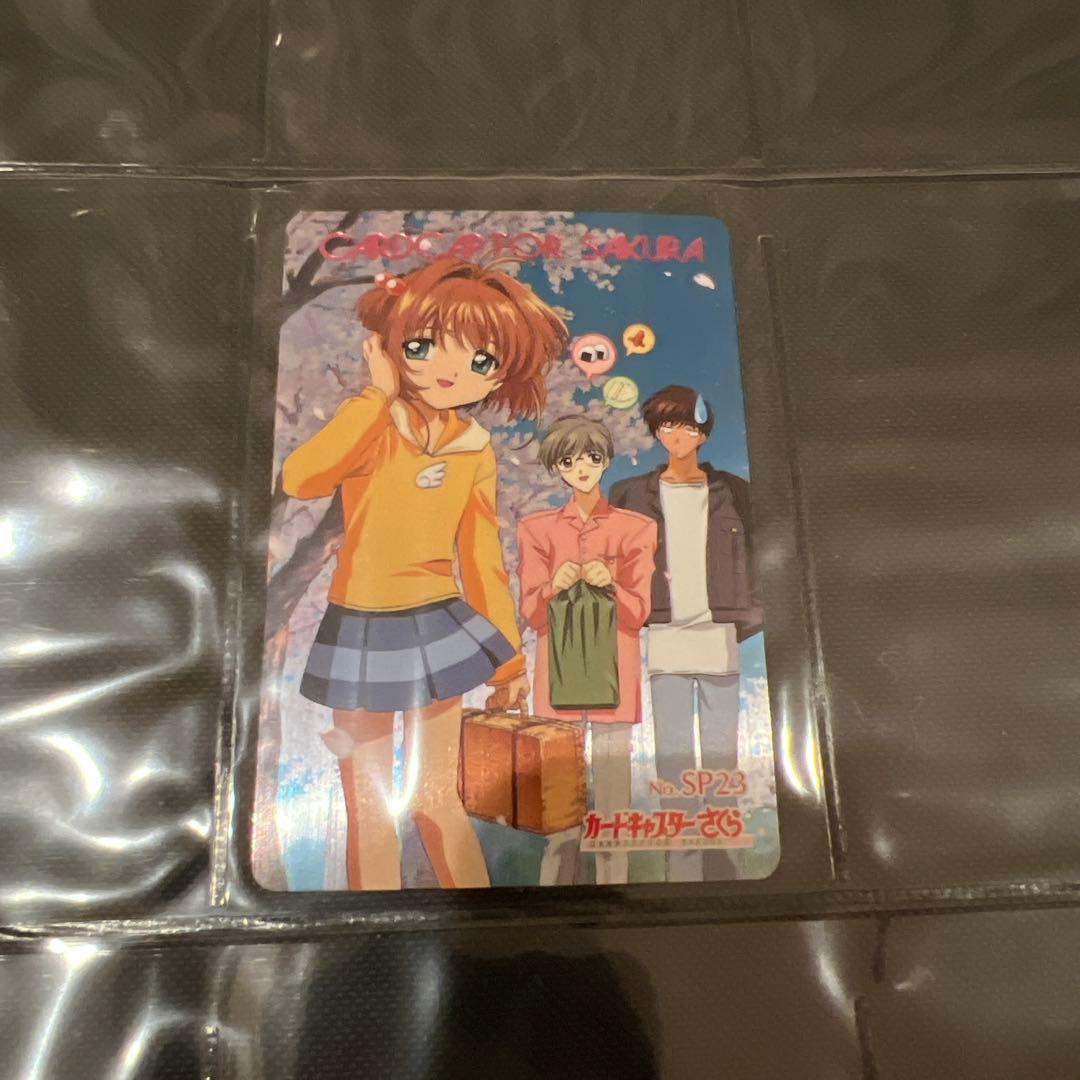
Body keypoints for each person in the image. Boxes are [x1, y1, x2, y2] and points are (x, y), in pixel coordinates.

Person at [282, 257, 569, 890]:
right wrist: (376, 395)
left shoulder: (475, 448)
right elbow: (302, 478)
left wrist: (509, 666)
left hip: (438, 625)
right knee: (369, 808)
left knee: (437, 799)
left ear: (501, 373)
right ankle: (371, 931)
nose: (449, 371)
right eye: (423, 346)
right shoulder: (374, 425)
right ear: (390, 345)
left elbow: (482, 558)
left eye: (481, 360)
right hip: (361, 626)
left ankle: (481, 925)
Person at [609, 385, 763, 882]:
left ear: (704, 433)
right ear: (657, 432)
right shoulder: (631, 493)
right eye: (667, 426)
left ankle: (727, 868)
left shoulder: (734, 491)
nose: (676, 435)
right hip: (666, 638)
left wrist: (751, 615)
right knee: (673, 763)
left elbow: (763, 556)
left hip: (719, 635)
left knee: (722, 761)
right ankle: (682, 870)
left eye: (687, 426)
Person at [518, 416, 657, 885]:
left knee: (614, 814)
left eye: (592, 458)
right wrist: (551, 589)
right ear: (556, 467)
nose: (581, 468)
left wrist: (612, 583)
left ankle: (616, 899)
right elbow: (531, 613)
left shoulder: (636, 528)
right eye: (569, 460)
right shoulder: (536, 528)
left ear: (606, 461)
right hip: (556, 685)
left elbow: (639, 612)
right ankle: (553, 902)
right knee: (559, 819)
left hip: (614, 681)